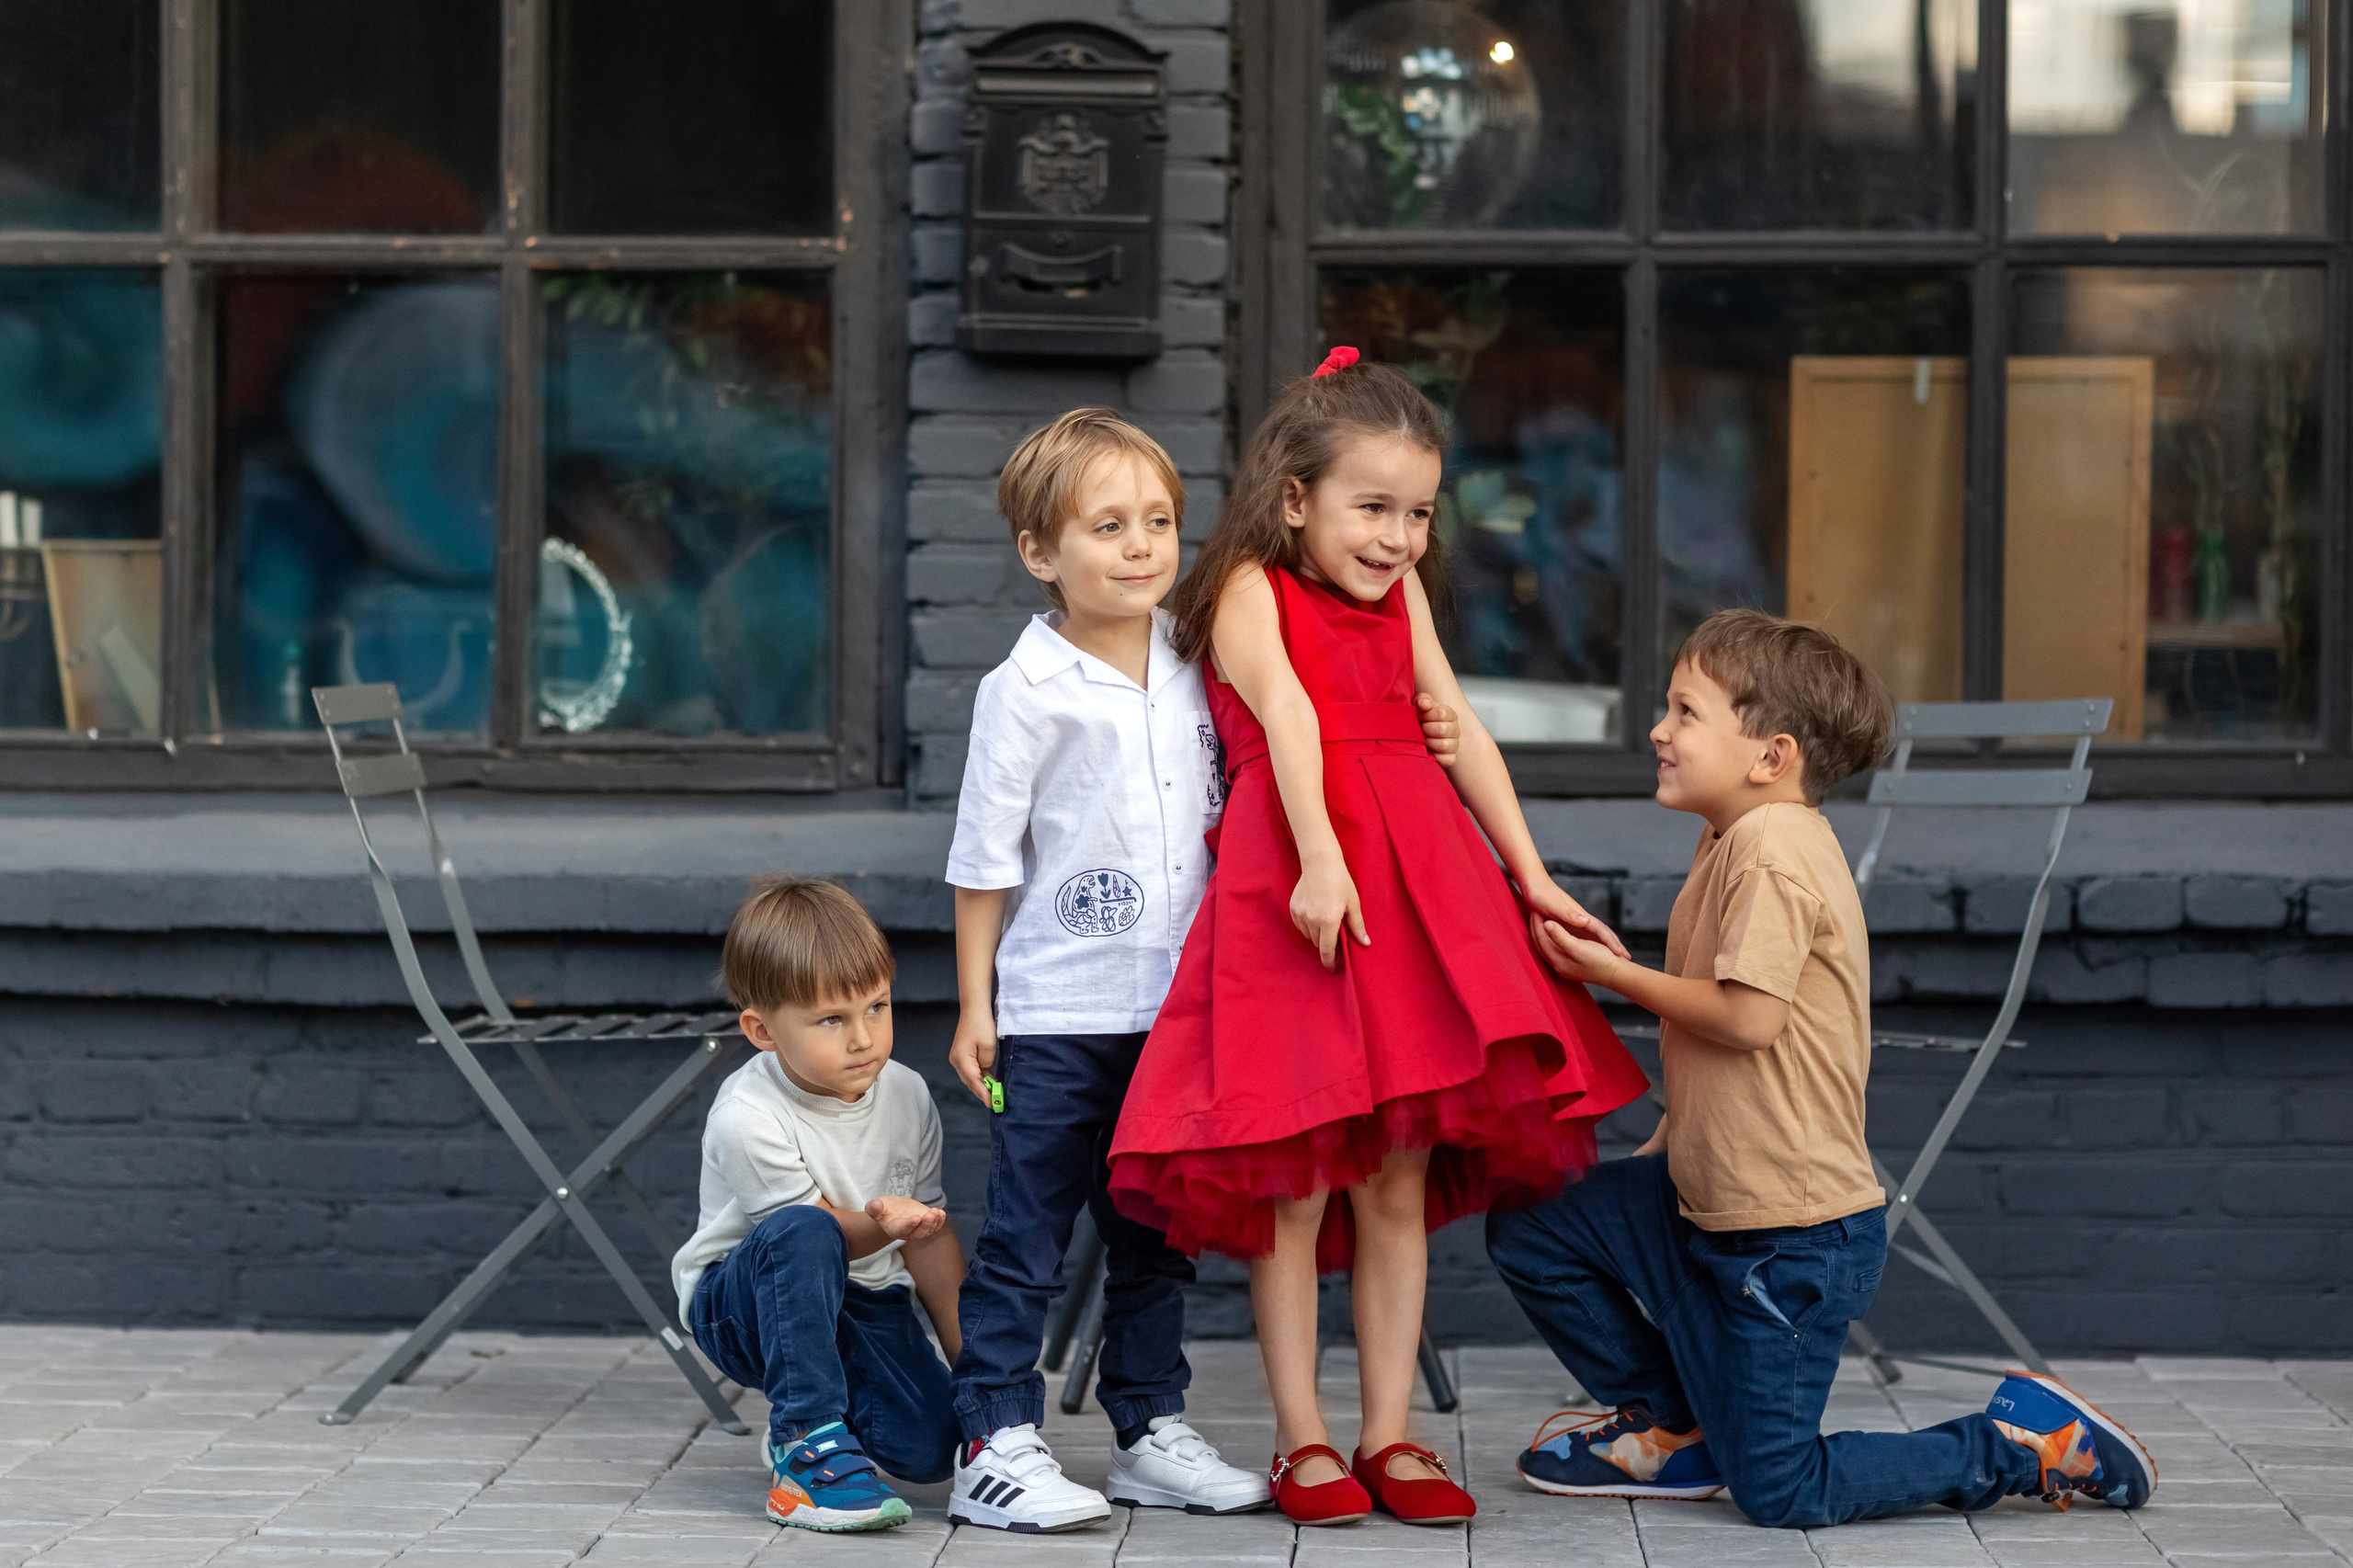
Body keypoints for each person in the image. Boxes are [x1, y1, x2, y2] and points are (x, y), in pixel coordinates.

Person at [1107, 348, 1651, 1528]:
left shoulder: (1398, 597)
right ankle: (1302, 1436)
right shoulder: (1248, 584)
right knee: (1299, 1178)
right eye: (1372, 507)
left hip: (1418, 885)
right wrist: (1317, 856)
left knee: (1395, 1179)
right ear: (1294, 496)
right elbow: (1287, 716)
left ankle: (1390, 1431)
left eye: (1417, 513)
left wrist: (1531, 875)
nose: (1399, 537)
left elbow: (1459, 726)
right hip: (1304, 886)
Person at [1493, 608, 2159, 1528]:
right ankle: (1677, 1424)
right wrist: (1666, 1140)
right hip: (1705, 1197)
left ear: (1770, 757)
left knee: (1780, 1488)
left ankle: (2020, 1443)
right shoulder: (1730, 836)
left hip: (1789, 1239)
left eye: (1684, 712)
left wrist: (1613, 976)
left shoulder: (1773, 849)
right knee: (1535, 1224)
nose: (1656, 729)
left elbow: (1748, 1019)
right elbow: (1729, 1052)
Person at [945, 408, 1469, 1532]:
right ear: (1039, 551)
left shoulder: (1195, 655)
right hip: (1056, 1008)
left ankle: (1148, 1430)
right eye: (1107, 526)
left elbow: (1288, 740)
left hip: (1183, 1005)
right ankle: (993, 1438)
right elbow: (984, 859)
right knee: (1025, 1235)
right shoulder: (1023, 688)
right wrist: (975, 999)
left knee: (1153, 1243)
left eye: (1158, 521)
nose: (1140, 546)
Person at [671, 879, 963, 1534]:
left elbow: (929, 1239)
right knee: (804, 1229)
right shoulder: (748, 1114)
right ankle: (804, 1441)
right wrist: (893, 1226)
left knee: (932, 1447)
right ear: (762, 1031)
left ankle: (821, 1412)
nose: (863, 1038)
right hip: (746, 1305)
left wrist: (977, 1375)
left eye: (877, 1007)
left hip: (866, 1299)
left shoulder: (909, 1094)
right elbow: (824, 1237)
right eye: (831, 1019)